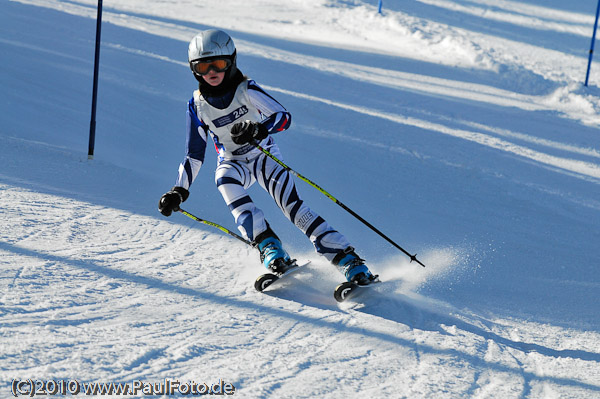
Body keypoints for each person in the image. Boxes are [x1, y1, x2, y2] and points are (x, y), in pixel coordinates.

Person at [158, 29, 376, 285]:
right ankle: (270, 247)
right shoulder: (196, 105)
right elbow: (194, 154)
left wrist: (259, 129)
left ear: (232, 61)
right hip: (232, 161)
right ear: (193, 69)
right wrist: (179, 191)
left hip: (263, 155)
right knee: (224, 179)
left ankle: (349, 261)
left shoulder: (246, 89)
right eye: (202, 66)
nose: (211, 72)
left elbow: (283, 116)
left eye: (218, 63)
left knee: (294, 209)